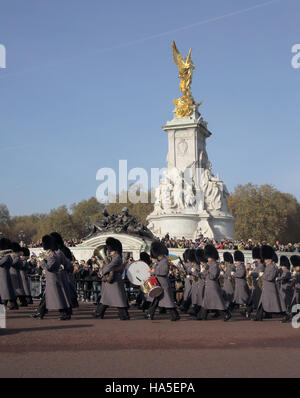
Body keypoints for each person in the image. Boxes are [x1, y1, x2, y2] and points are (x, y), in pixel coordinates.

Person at [93, 237, 129, 320]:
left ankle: (124, 315)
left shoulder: (117, 258)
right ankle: (99, 313)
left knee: (118, 299)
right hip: (111, 281)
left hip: (114, 281)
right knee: (105, 298)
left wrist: (102, 272)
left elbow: (109, 267)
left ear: (115, 250)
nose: (109, 252)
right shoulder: (113, 258)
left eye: (111, 250)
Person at [38, 235, 72, 320]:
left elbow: (49, 267)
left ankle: (65, 313)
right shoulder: (54, 255)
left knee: (58, 297)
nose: (45, 251)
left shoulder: (52, 256)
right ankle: (41, 312)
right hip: (53, 279)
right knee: (55, 297)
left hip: (53, 279)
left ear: (48, 249)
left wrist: (42, 262)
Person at [145, 241, 180, 321]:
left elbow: (164, 272)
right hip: (158, 283)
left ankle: (175, 315)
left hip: (163, 284)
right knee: (156, 300)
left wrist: (154, 271)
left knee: (168, 302)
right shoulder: (160, 262)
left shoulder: (164, 261)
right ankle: (150, 314)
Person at [196, 245, 231, 321]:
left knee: (218, 302)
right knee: (205, 302)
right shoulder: (209, 265)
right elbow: (205, 275)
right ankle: (202, 315)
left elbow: (212, 276)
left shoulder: (215, 265)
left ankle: (226, 314)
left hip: (213, 286)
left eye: (208, 257)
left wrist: (207, 271)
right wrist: (200, 274)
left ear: (211, 256)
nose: (207, 258)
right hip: (208, 286)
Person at [253, 245, 287, 322]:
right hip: (266, 288)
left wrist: (262, 275)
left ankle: (286, 315)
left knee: (277, 304)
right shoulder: (268, 266)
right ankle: (258, 316)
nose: (264, 260)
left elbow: (270, 277)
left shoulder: (273, 267)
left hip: (271, 288)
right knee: (262, 302)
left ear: (270, 259)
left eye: (266, 259)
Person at [245, 247, 265, 318]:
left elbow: (259, 274)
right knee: (253, 299)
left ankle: (249, 311)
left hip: (258, 285)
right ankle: (248, 311)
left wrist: (251, 273)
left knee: (255, 300)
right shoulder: (257, 265)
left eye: (256, 259)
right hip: (255, 285)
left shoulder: (261, 265)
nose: (255, 260)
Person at [0, 238, 18, 310]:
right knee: (8, 291)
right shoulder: (6, 257)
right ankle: (13, 304)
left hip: (4, 275)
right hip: (3, 274)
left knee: (6, 291)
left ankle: (5, 305)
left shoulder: (7, 257)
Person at [281, 255, 300, 323]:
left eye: (295, 266)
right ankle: (292, 317)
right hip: (297, 291)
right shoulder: (297, 272)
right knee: (294, 305)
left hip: (298, 291)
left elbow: (294, 281)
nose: (294, 268)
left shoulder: (297, 273)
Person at [9, 243, 27, 307]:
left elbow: (13, 263)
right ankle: (20, 302)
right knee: (17, 290)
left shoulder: (17, 258)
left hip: (14, 274)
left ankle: (15, 304)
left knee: (16, 290)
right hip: (14, 274)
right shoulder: (17, 258)